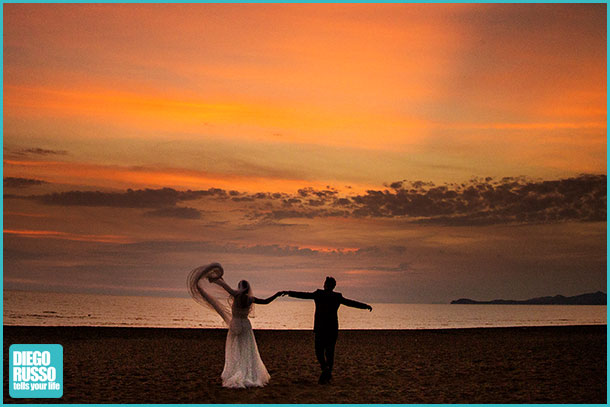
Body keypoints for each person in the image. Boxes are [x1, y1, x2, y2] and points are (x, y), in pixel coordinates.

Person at [187, 263, 283, 388]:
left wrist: (217, 279)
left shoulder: (236, 295)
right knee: (247, 349)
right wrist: (277, 294)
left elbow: (224, 286)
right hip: (245, 324)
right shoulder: (250, 299)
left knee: (236, 349)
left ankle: (238, 372)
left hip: (236, 324)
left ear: (240, 288)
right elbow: (266, 301)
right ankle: (250, 374)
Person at [284, 276, 372, 384]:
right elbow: (351, 303)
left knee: (319, 351)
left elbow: (304, 295)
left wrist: (289, 292)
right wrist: (365, 306)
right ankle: (327, 372)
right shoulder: (336, 296)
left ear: (326, 285)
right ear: (333, 286)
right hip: (331, 328)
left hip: (322, 328)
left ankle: (325, 370)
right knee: (329, 352)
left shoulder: (319, 294)